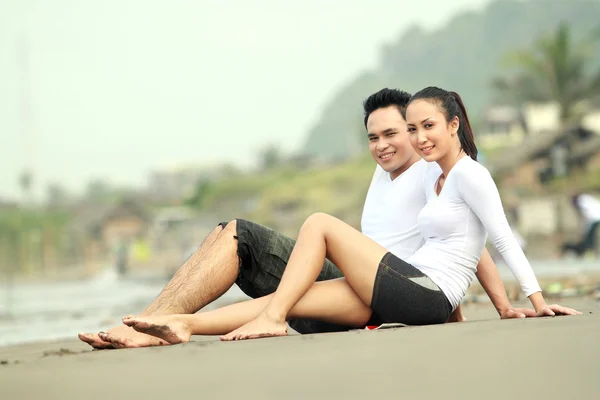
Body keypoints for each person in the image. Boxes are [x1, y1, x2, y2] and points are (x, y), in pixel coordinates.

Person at [109, 87, 580, 345]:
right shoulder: (412, 177)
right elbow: (459, 241)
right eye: (376, 137)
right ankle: (159, 325)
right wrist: (494, 306)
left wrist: (525, 302)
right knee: (231, 235)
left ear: (446, 127)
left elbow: (488, 239)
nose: (393, 143)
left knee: (307, 226)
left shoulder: (443, 171)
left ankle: (251, 317)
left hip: (395, 292)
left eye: (408, 130)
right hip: (380, 288)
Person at [561, 192, 600, 258]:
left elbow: (586, 214)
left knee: (589, 237)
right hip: (595, 217)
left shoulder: (581, 200)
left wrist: (584, 227)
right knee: (591, 236)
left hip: (595, 218)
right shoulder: (585, 198)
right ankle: (590, 252)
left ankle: (589, 252)